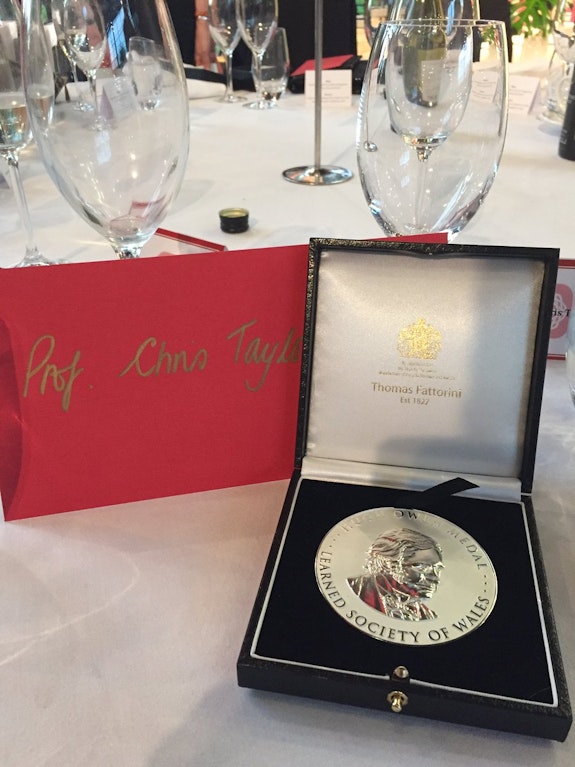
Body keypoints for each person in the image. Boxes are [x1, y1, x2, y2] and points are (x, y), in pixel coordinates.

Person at [347, 527, 444, 621]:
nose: (435, 578)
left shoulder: (427, 616)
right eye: (420, 566)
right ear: (385, 564)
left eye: (438, 569)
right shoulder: (353, 592)